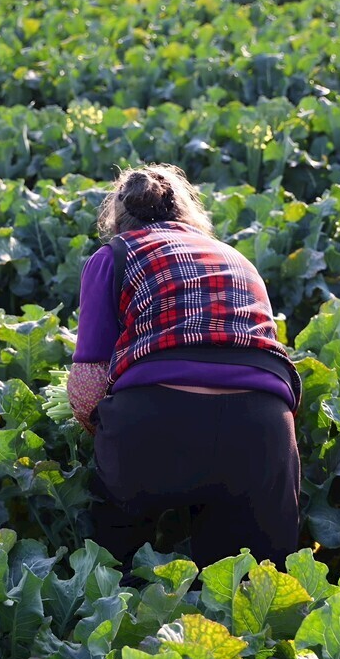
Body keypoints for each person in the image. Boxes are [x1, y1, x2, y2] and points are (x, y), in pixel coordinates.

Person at [67, 163, 302, 570]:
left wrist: (102, 434)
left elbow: (87, 383)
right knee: (252, 590)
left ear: (119, 217)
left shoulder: (114, 255)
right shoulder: (235, 257)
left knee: (113, 581)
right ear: (187, 211)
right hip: (262, 429)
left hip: (154, 422)